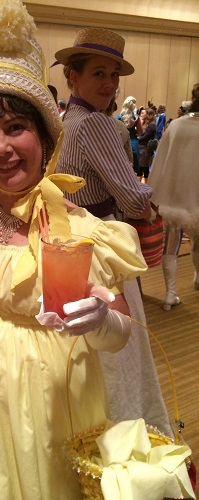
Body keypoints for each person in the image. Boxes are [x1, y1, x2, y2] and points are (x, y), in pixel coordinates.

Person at [0, 2, 156, 497]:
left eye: (16, 128)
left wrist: (102, 320)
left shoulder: (83, 227)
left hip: (58, 405)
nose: (1, 147)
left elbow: (119, 336)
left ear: (45, 137)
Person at [54, 27, 171, 436]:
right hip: (99, 241)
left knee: (83, 347)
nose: (109, 83)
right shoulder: (96, 125)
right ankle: (127, 433)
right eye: (99, 73)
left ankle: (91, 435)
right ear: (73, 76)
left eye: (114, 74)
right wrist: (154, 196)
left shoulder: (66, 119)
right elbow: (132, 196)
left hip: (68, 242)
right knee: (121, 349)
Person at [148, 82, 199, 311]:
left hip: (174, 194)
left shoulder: (176, 126)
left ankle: (170, 294)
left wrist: (153, 194)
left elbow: (161, 162)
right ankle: (198, 277)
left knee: (171, 244)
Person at [116, 96, 144, 180]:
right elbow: (140, 132)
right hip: (134, 142)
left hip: (121, 143)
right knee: (134, 169)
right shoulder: (136, 117)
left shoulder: (118, 117)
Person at [138, 107, 156, 182]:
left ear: (148, 115)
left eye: (143, 113)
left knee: (143, 168)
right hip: (142, 149)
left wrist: (136, 139)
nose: (141, 114)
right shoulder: (146, 124)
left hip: (145, 149)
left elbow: (144, 137)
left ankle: (143, 185)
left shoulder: (152, 125)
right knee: (142, 168)